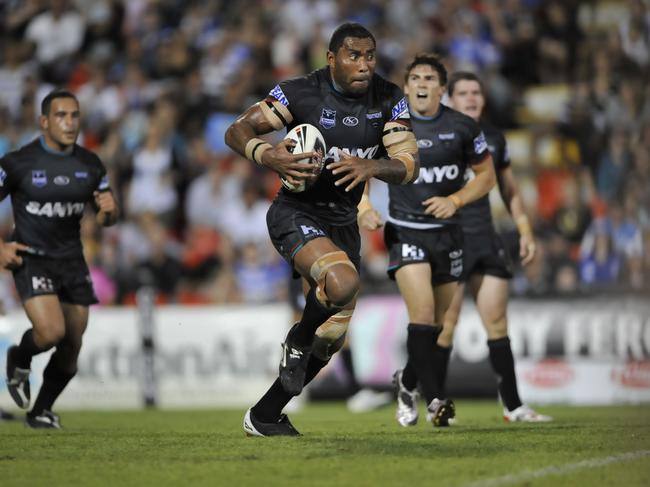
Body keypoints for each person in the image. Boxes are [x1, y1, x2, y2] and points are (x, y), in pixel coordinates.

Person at [225, 22, 419, 437]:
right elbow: (236, 130)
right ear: (331, 58)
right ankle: (297, 336)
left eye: (369, 55)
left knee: (329, 342)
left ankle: (265, 415)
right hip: (295, 212)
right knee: (342, 280)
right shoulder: (300, 92)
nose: (364, 64)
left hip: (343, 224)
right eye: (353, 55)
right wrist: (268, 155)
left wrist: (373, 167)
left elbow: (408, 165)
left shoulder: (388, 99)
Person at [386, 54, 496, 428]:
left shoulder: (463, 127)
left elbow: (486, 177)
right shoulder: (391, 126)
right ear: (405, 87)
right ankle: (434, 401)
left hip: (448, 235)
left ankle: (407, 382)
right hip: (405, 231)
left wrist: (455, 200)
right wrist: (365, 204)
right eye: (414, 77)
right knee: (421, 316)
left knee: (437, 326)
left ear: (441, 89)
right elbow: (363, 165)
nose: (420, 84)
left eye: (429, 78)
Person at [1, 89, 118, 428]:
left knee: (71, 348)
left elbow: (106, 214)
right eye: (61, 116)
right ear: (44, 121)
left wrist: (109, 213)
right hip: (31, 257)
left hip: (71, 261)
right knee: (51, 332)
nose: (69, 123)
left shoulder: (90, 164)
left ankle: (40, 411)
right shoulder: (17, 163)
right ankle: (19, 356)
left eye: (74, 115)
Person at [440, 71, 552, 422]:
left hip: (485, 238)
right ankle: (435, 401)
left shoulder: (494, 138)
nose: (472, 98)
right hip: (447, 240)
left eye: (476, 92)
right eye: (463, 93)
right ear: (450, 99)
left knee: (497, 323)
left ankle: (513, 406)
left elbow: (510, 190)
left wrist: (525, 231)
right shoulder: (435, 135)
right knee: (445, 325)